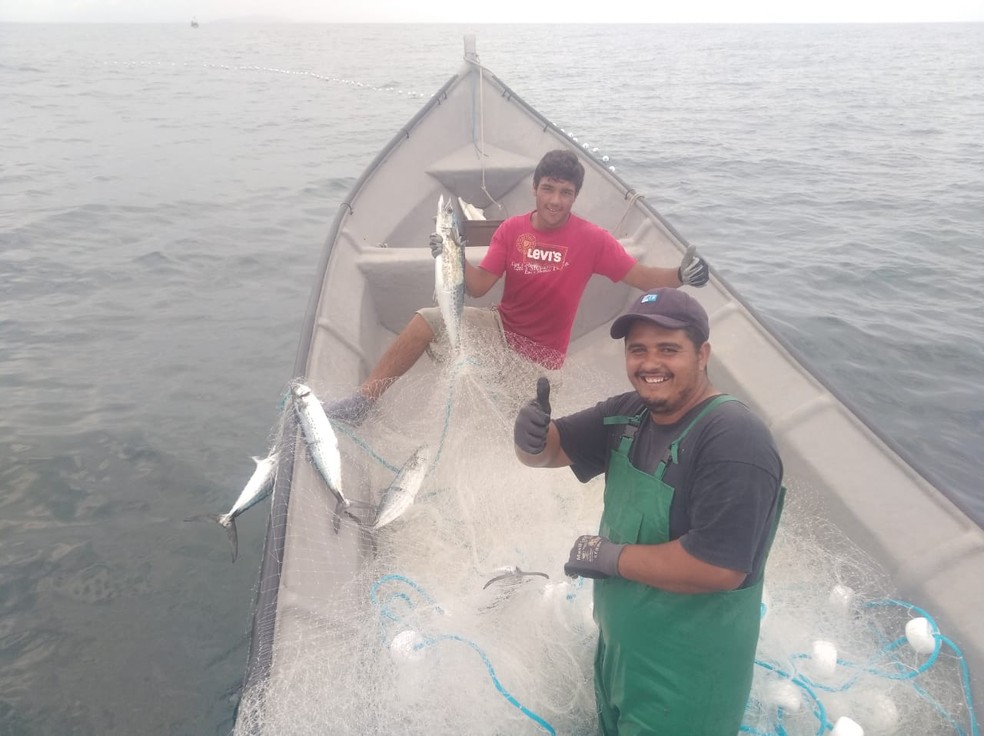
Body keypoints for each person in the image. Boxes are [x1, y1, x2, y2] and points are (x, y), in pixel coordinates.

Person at [513, 287, 784, 735]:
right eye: (638, 350)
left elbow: (719, 568)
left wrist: (608, 556)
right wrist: (531, 440)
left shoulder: (734, 439)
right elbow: (553, 451)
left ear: (703, 354)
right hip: (620, 656)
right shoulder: (629, 413)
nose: (650, 363)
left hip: (685, 683)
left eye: (668, 349)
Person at [326, 149, 710, 425]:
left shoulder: (593, 240)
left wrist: (680, 274)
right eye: (548, 189)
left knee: (523, 433)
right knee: (424, 322)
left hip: (541, 361)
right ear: (534, 189)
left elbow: (638, 276)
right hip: (500, 330)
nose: (555, 201)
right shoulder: (512, 230)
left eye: (565, 193)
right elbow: (477, 288)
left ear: (575, 196)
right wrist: (451, 254)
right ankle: (365, 402)